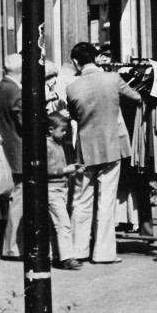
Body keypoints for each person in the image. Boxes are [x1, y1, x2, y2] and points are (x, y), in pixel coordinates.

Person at [66, 42, 142, 264]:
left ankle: (78, 250)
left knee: (81, 200)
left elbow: (74, 115)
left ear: (76, 62)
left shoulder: (72, 87)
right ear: (95, 58)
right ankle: (104, 253)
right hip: (111, 145)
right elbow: (136, 97)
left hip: (85, 149)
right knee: (106, 200)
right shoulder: (113, 78)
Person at [0, 52, 23, 258]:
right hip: (18, 150)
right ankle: (12, 246)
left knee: (13, 201)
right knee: (18, 201)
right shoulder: (14, 91)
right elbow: (24, 122)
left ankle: (10, 245)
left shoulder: (1, 87)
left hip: (8, 148)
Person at [46, 113, 83, 270]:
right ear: (50, 129)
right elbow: (46, 170)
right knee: (63, 224)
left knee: (58, 224)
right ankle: (66, 257)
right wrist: (65, 170)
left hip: (61, 188)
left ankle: (57, 255)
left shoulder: (58, 144)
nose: (65, 133)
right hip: (52, 190)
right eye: (62, 130)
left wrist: (72, 171)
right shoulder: (47, 146)